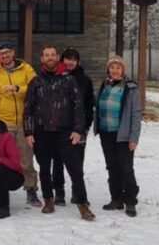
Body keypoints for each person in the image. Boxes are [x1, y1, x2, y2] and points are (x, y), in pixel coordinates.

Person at [23, 46, 92, 219]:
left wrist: (78, 130)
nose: (50, 57)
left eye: (53, 55)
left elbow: (78, 106)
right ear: (42, 59)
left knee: (74, 169)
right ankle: (48, 200)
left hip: (65, 132)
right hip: (42, 132)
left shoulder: (68, 79)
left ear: (57, 58)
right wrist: (28, 132)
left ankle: (83, 204)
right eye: (47, 55)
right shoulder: (36, 81)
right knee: (45, 169)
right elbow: (28, 109)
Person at [0, 42, 41, 207]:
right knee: (4, 157)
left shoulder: (26, 69)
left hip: (25, 121)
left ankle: (31, 189)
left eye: (7, 52)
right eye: (1, 53)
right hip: (5, 121)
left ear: (13, 53)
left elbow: (36, 88)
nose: (5, 56)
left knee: (26, 158)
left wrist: (18, 88)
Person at [96, 55, 143, 218]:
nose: (115, 70)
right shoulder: (105, 85)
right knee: (112, 167)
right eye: (112, 67)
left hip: (123, 135)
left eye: (118, 68)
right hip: (106, 133)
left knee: (126, 168)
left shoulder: (131, 87)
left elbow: (136, 114)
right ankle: (116, 199)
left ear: (123, 70)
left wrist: (134, 138)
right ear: (108, 69)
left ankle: (130, 201)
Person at [55, 47, 95, 207]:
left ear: (78, 62)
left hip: (78, 128)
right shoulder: (56, 77)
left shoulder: (85, 80)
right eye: (67, 59)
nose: (70, 62)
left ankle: (77, 193)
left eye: (73, 59)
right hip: (58, 128)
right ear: (62, 60)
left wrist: (84, 128)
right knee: (57, 162)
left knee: (77, 163)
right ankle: (59, 192)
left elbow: (89, 105)